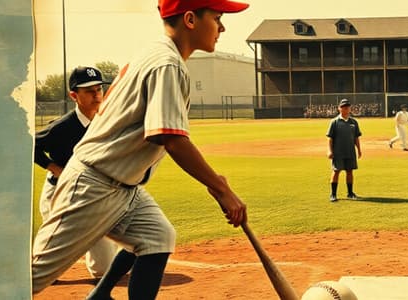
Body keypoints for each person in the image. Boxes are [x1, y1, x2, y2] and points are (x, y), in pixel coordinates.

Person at [30, 1, 250, 299]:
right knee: (29, 277)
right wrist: (221, 188)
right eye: (217, 17)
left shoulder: (155, 53)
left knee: (156, 236)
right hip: (93, 185)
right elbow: (169, 138)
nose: (222, 27)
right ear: (189, 19)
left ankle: (98, 296)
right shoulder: (167, 64)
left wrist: (216, 182)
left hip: (123, 187)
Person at [33, 66, 119, 280]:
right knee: (44, 268)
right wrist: (54, 168)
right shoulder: (61, 127)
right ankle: (34, 269)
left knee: (105, 270)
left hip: (93, 193)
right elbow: (29, 144)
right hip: (60, 193)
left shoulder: (107, 122)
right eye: (89, 90)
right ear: (74, 95)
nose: (96, 94)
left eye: (99, 89)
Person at [326, 99, 362, 202]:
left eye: (347, 107)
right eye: (343, 107)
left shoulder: (354, 122)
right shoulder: (334, 122)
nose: (346, 108)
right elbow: (330, 138)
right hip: (338, 152)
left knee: (350, 171)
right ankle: (333, 194)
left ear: (350, 108)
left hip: (350, 151)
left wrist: (359, 150)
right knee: (336, 171)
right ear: (339, 108)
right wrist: (330, 151)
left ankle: (350, 193)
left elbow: (356, 138)